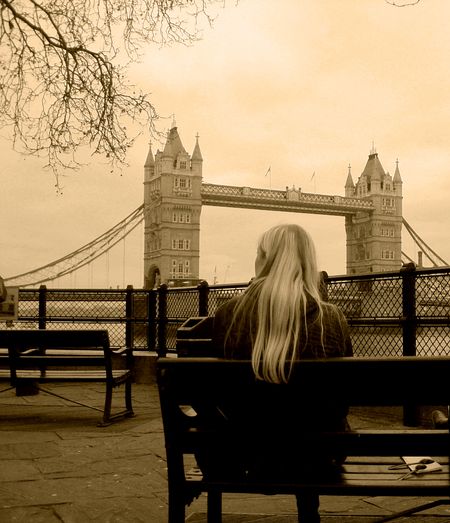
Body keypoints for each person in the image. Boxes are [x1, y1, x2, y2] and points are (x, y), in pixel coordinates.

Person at [209, 223, 353, 523]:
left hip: (246, 455)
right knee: (313, 417)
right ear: (309, 263)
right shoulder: (333, 319)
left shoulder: (227, 314)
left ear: (263, 260)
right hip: (317, 457)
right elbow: (342, 400)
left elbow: (217, 396)